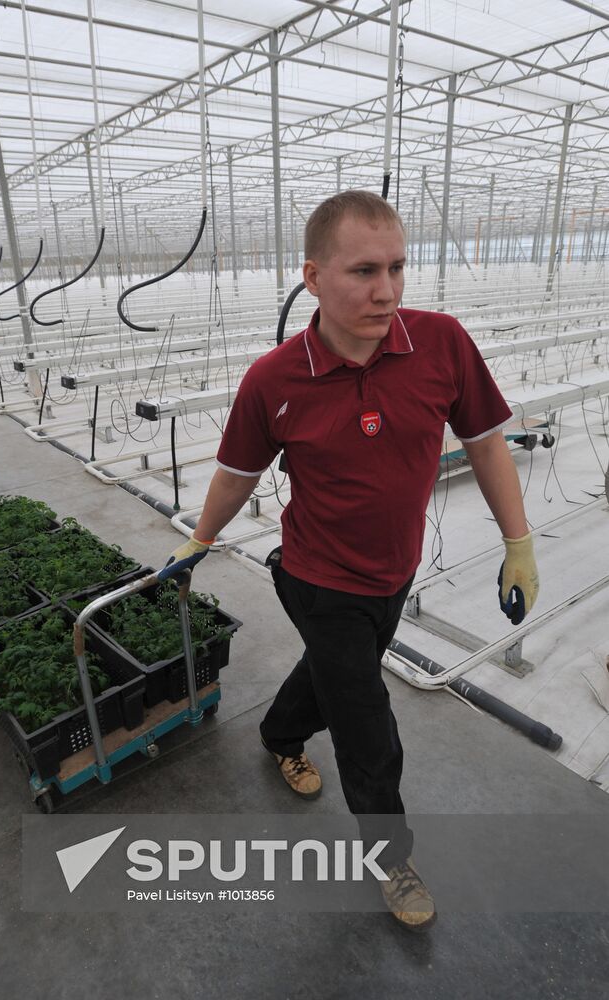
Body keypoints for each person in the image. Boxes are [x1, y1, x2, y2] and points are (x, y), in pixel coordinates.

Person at [165, 190, 539, 932]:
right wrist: (200, 539)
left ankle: (278, 736)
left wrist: (518, 541)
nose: (387, 290)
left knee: (335, 677)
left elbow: (487, 440)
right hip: (317, 577)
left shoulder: (441, 343)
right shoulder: (273, 381)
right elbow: (239, 473)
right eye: (364, 270)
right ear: (313, 276)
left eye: (398, 267)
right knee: (368, 722)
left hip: (394, 573)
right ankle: (388, 856)